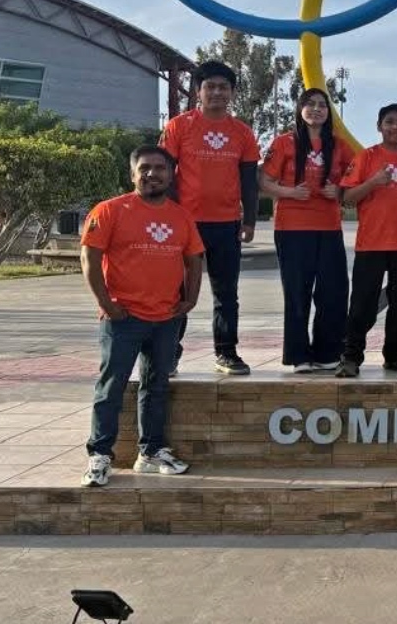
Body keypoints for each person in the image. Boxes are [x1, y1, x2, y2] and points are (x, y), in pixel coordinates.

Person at [80, 146, 203, 487]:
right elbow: (89, 258)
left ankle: (150, 453)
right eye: (145, 169)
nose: (152, 174)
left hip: (166, 318)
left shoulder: (181, 216)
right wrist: (106, 303)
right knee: (111, 387)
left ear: (171, 174)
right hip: (123, 317)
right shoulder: (110, 211)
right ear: (133, 174)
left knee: (156, 386)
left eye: (160, 168)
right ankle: (99, 455)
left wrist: (190, 299)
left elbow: (195, 259)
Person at [159, 60, 259, 376]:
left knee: (226, 293)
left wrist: (250, 221)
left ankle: (226, 353)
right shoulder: (179, 126)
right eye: (210, 86)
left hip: (226, 225)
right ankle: (168, 354)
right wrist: (171, 216)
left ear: (232, 93)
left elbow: (248, 180)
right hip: (186, 225)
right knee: (177, 291)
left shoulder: (242, 132)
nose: (217, 92)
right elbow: (165, 175)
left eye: (223, 87)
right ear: (199, 92)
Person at [260, 89, 353, 373]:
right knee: (297, 292)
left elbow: (352, 183)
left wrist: (337, 190)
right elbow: (263, 182)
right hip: (292, 228)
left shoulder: (338, 146)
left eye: (322, 105)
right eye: (310, 104)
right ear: (300, 109)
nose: (316, 110)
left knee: (334, 292)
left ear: (329, 112)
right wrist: (288, 192)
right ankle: (299, 355)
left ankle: (327, 352)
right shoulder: (284, 142)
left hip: (328, 227)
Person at [335, 104, 397, 378]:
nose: (396, 127)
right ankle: (351, 356)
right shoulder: (366, 157)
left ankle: (396, 355)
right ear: (379, 126)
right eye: (389, 122)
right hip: (372, 244)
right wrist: (374, 182)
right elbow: (347, 197)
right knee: (362, 303)